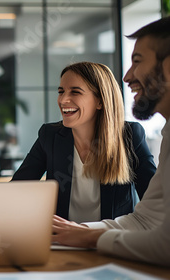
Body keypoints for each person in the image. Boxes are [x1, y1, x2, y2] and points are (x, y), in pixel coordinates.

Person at [52, 17, 170, 266]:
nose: (127, 77)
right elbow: (145, 219)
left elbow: (165, 243)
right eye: (61, 91)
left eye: (137, 62)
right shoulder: (168, 133)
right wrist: (83, 232)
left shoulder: (131, 135)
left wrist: (92, 239)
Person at [12, 61, 156, 223]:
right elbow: (16, 191)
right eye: (61, 91)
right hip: (63, 243)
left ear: (100, 101)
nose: (63, 100)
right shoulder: (49, 135)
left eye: (75, 92)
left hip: (111, 242)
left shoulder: (129, 136)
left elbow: (156, 202)